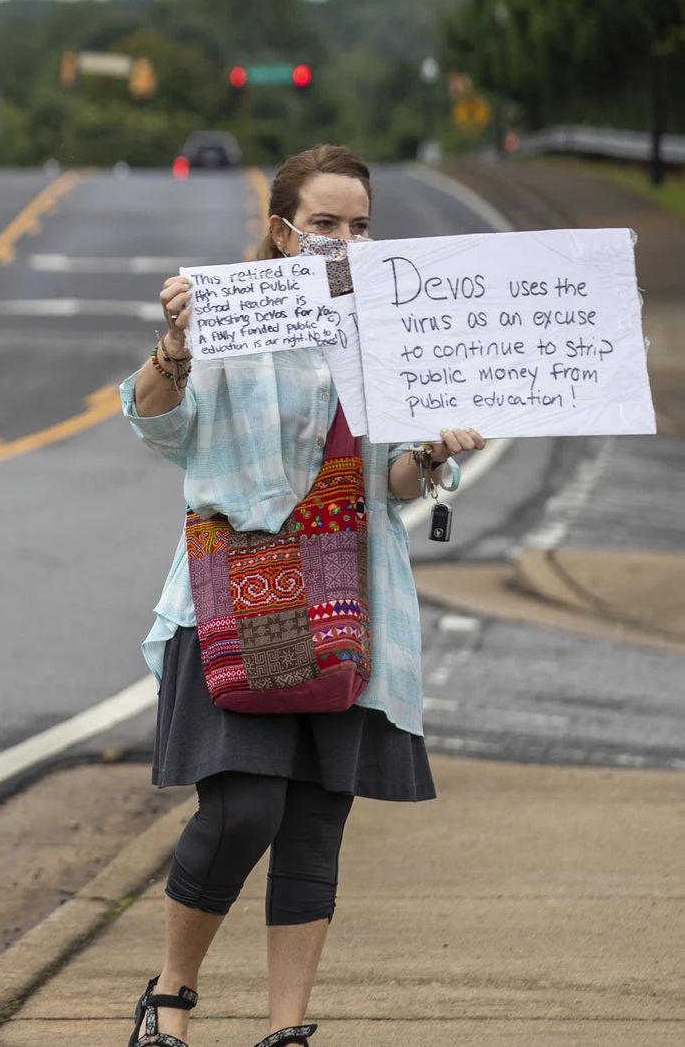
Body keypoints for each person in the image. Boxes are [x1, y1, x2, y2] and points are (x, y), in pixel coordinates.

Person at [121, 145, 486, 1047]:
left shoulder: (389, 332)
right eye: (325, 224)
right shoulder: (227, 317)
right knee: (246, 806)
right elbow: (158, 425)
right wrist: (174, 344)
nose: (344, 241)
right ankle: (170, 996)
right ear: (282, 230)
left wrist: (436, 455)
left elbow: (390, 482)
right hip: (245, 594)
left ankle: (287, 1030)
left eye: (361, 226)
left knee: (316, 819)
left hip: (351, 596)